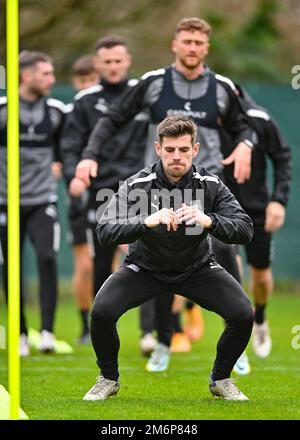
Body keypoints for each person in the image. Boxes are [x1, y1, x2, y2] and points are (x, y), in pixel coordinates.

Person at [75, 17, 254, 367]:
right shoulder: (153, 82)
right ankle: (162, 338)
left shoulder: (221, 87)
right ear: (175, 44)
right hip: (155, 188)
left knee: (221, 247)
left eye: (198, 42)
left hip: (206, 185)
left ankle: (235, 337)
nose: (192, 47)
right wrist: (88, 155)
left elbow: (243, 124)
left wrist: (246, 143)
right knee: (156, 251)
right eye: (186, 41)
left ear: (206, 47)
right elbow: (114, 117)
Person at [83, 115, 254, 401]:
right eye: (170, 150)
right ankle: (108, 378)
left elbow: (245, 228)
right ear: (158, 149)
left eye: (184, 150)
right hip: (144, 269)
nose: (177, 157)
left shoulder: (210, 184)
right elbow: (105, 230)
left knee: (243, 313)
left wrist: (208, 220)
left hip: (197, 268)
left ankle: (221, 378)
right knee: (101, 312)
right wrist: (145, 221)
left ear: (195, 150)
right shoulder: (138, 184)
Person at [61, 36, 149, 311]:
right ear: (97, 64)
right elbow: (70, 146)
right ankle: (100, 321)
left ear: (128, 61)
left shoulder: (145, 94)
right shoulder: (85, 101)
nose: (113, 67)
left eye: (118, 61)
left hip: (142, 188)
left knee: (153, 257)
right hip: (101, 190)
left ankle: (154, 331)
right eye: (107, 61)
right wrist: (73, 177)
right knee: (101, 259)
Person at [0, 50, 66, 355]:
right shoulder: (3, 110)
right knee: (11, 267)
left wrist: (61, 163)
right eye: (46, 74)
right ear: (26, 75)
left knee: (47, 258)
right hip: (6, 203)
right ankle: (21, 334)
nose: (52, 79)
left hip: (42, 201)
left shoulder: (56, 112)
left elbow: (68, 148)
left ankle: (48, 331)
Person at [223, 84, 291, 358]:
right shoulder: (209, 120)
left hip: (257, 209)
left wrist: (278, 200)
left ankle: (260, 319)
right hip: (221, 209)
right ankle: (238, 324)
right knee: (230, 267)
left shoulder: (259, 119)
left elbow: (282, 157)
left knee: (260, 276)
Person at [66, 55, 99, 344]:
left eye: (93, 80)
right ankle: (84, 324)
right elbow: (63, 150)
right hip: (79, 201)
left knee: (110, 262)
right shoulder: (70, 113)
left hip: (104, 197)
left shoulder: (107, 116)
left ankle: (104, 320)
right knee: (84, 265)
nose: (88, 85)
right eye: (83, 80)